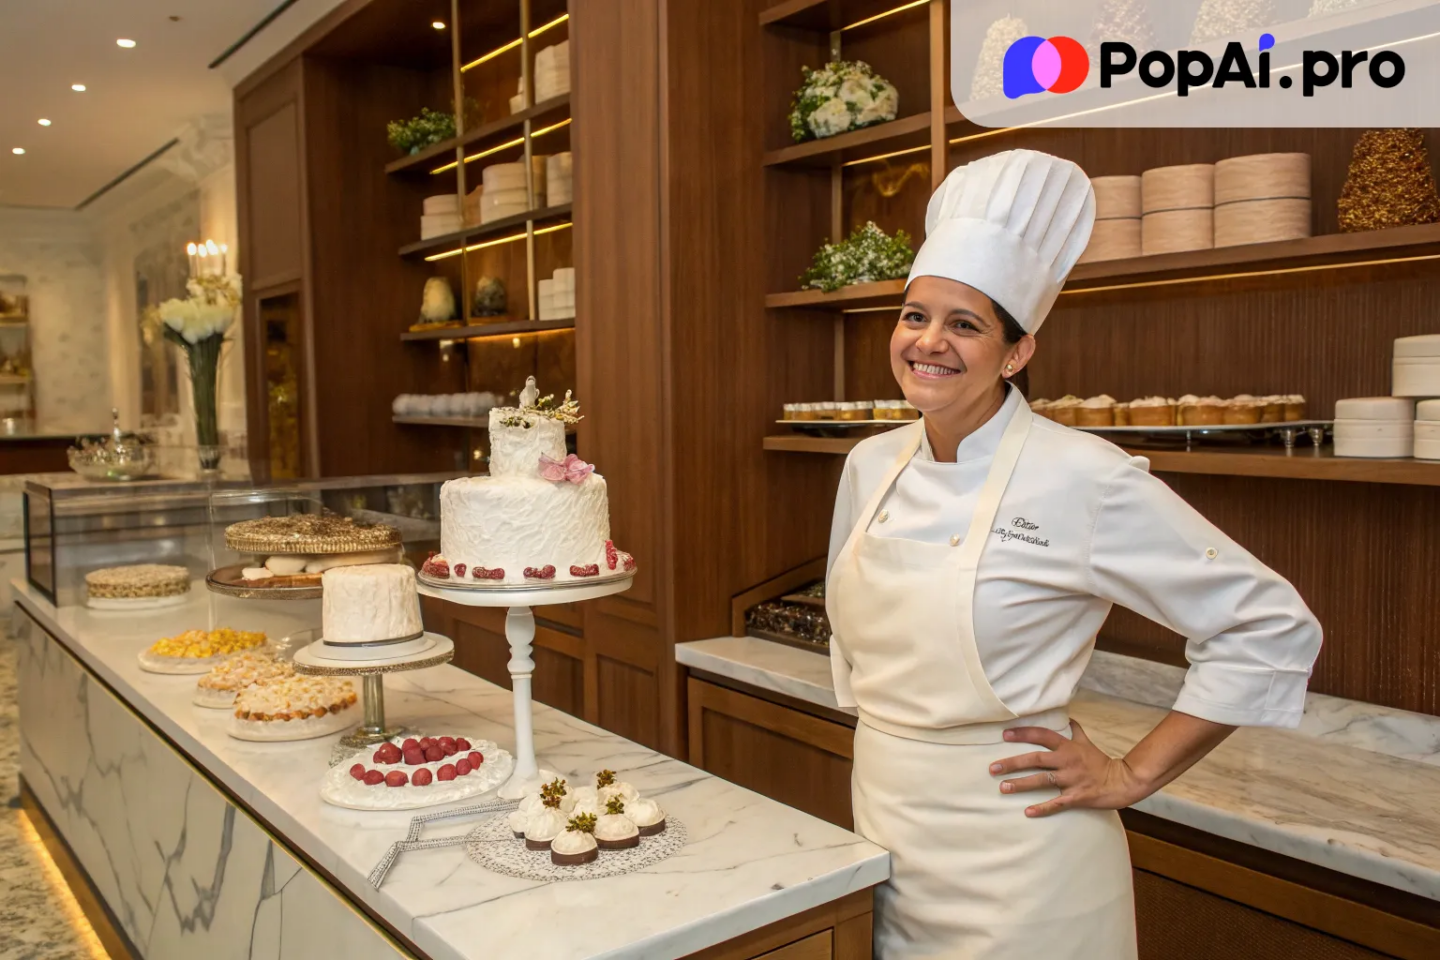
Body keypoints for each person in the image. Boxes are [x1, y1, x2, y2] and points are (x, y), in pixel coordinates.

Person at [824, 149, 1322, 959]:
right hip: (884, 830)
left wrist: (1132, 776)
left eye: (966, 324)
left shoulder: (1083, 477)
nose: (929, 343)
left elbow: (1269, 626)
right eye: (916, 316)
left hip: (1027, 859)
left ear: (1017, 353)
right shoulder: (870, 464)